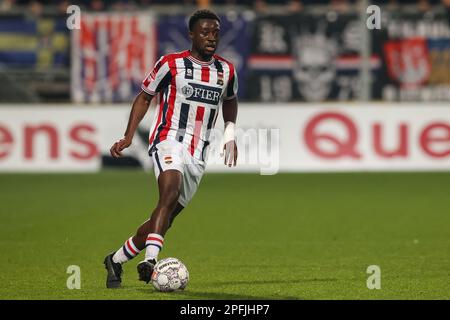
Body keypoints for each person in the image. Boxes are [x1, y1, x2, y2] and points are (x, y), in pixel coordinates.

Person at [103, 9, 239, 288]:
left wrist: (229, 134)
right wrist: (128, 136)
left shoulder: (226, 70)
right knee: (168, 192)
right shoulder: (170, 64)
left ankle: (115, 260)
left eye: (215, 32)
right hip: (168, 138)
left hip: (199, 150)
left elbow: (230, 100)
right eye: (205, 32)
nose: (211, 37)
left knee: (164, 217)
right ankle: (151, 260)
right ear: (192, 34)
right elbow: (144, 97)